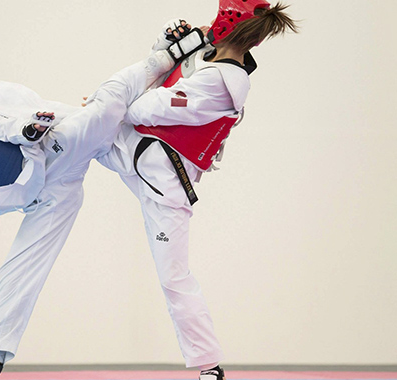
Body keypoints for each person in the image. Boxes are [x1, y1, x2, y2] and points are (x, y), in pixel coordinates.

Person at [0, 29, 203, 380]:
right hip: (50, 199)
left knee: (105, 108)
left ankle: (167, 56)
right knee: (12, 274)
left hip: (55, 150)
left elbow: (0, 125)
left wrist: (26, 130)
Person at [96, 1, 299, 378]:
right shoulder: (211, 67)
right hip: (139, 155)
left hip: (163, 179)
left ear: (228, 25)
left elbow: (141, 108)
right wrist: (172, 51)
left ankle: (209, 367)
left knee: (173, 276)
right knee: (69, 127)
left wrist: (168, 59)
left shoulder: (220, 82)